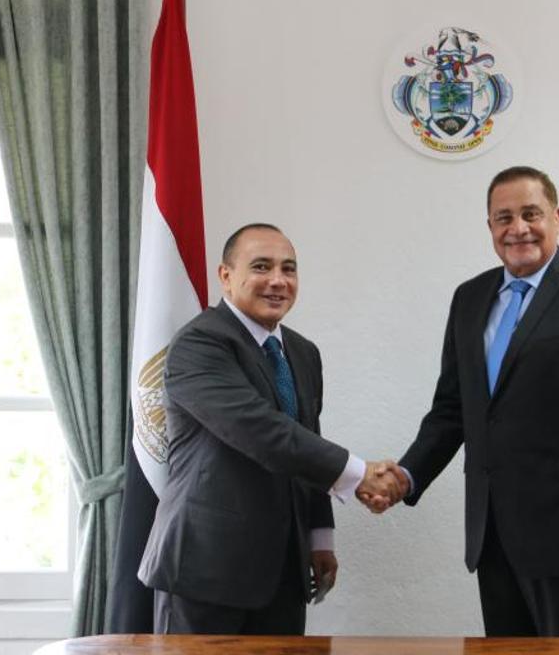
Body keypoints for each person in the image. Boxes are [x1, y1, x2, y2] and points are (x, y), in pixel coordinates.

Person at [376, 166, 559, 636]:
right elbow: (452, 411)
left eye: (531, 214)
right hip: (493, 537)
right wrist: (406, 475)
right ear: (490, 226)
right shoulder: (469, 298)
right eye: (504, 217)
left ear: (557, 217)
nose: (518, 228)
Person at [138, 223, 403, 635]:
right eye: (261, 266)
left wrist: (319, 538)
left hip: (283, 572)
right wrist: (360, 474)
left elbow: (306, 440)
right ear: (226, 275)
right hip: (204, 571)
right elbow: (261, 431)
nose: (278, 280)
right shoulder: (199, 344)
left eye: (288, 269)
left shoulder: (302, 352)